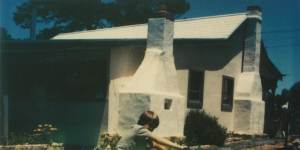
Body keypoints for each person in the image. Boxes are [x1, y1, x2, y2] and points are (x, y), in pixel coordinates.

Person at [117, 110, 186, 150]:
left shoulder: (139, 134)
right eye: (153, 128)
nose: (152, 131)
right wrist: (179, 147)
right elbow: (158, 139)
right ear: (147, 124)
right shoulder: (140, 129)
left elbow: (154, 144)